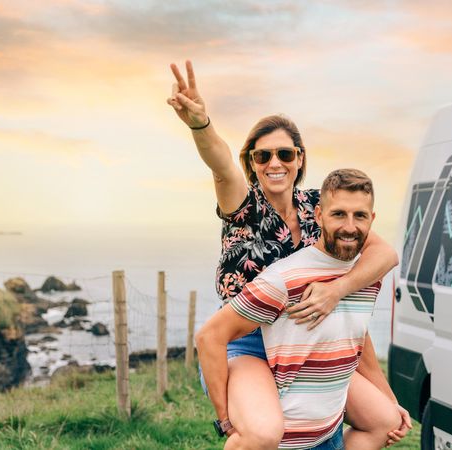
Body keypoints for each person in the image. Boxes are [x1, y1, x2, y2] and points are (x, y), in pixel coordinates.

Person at [167, 60, 410, 448]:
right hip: (249, 344)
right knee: (264, 433)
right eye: (262, 156)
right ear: (252, 163)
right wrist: (200, 124)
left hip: (307, 339)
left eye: (284, 154)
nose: (274, 163)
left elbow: (384, 254)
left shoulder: (320, 206)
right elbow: (220, 163)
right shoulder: (243, 205)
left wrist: (338, 289)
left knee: (380, 419)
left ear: (299, 159)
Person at [197, 169, 406, 449]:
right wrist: (226, 421)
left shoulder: (367, 276)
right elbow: (209, 336)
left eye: (360, 216)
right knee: (259, 434)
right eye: (339, 214)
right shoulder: (283, 278)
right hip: (281, 441)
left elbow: (355, 339)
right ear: (319, 216)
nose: (349, 226)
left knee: (386, 421)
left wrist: (388, 400)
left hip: (325, 433)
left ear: (372, 220)